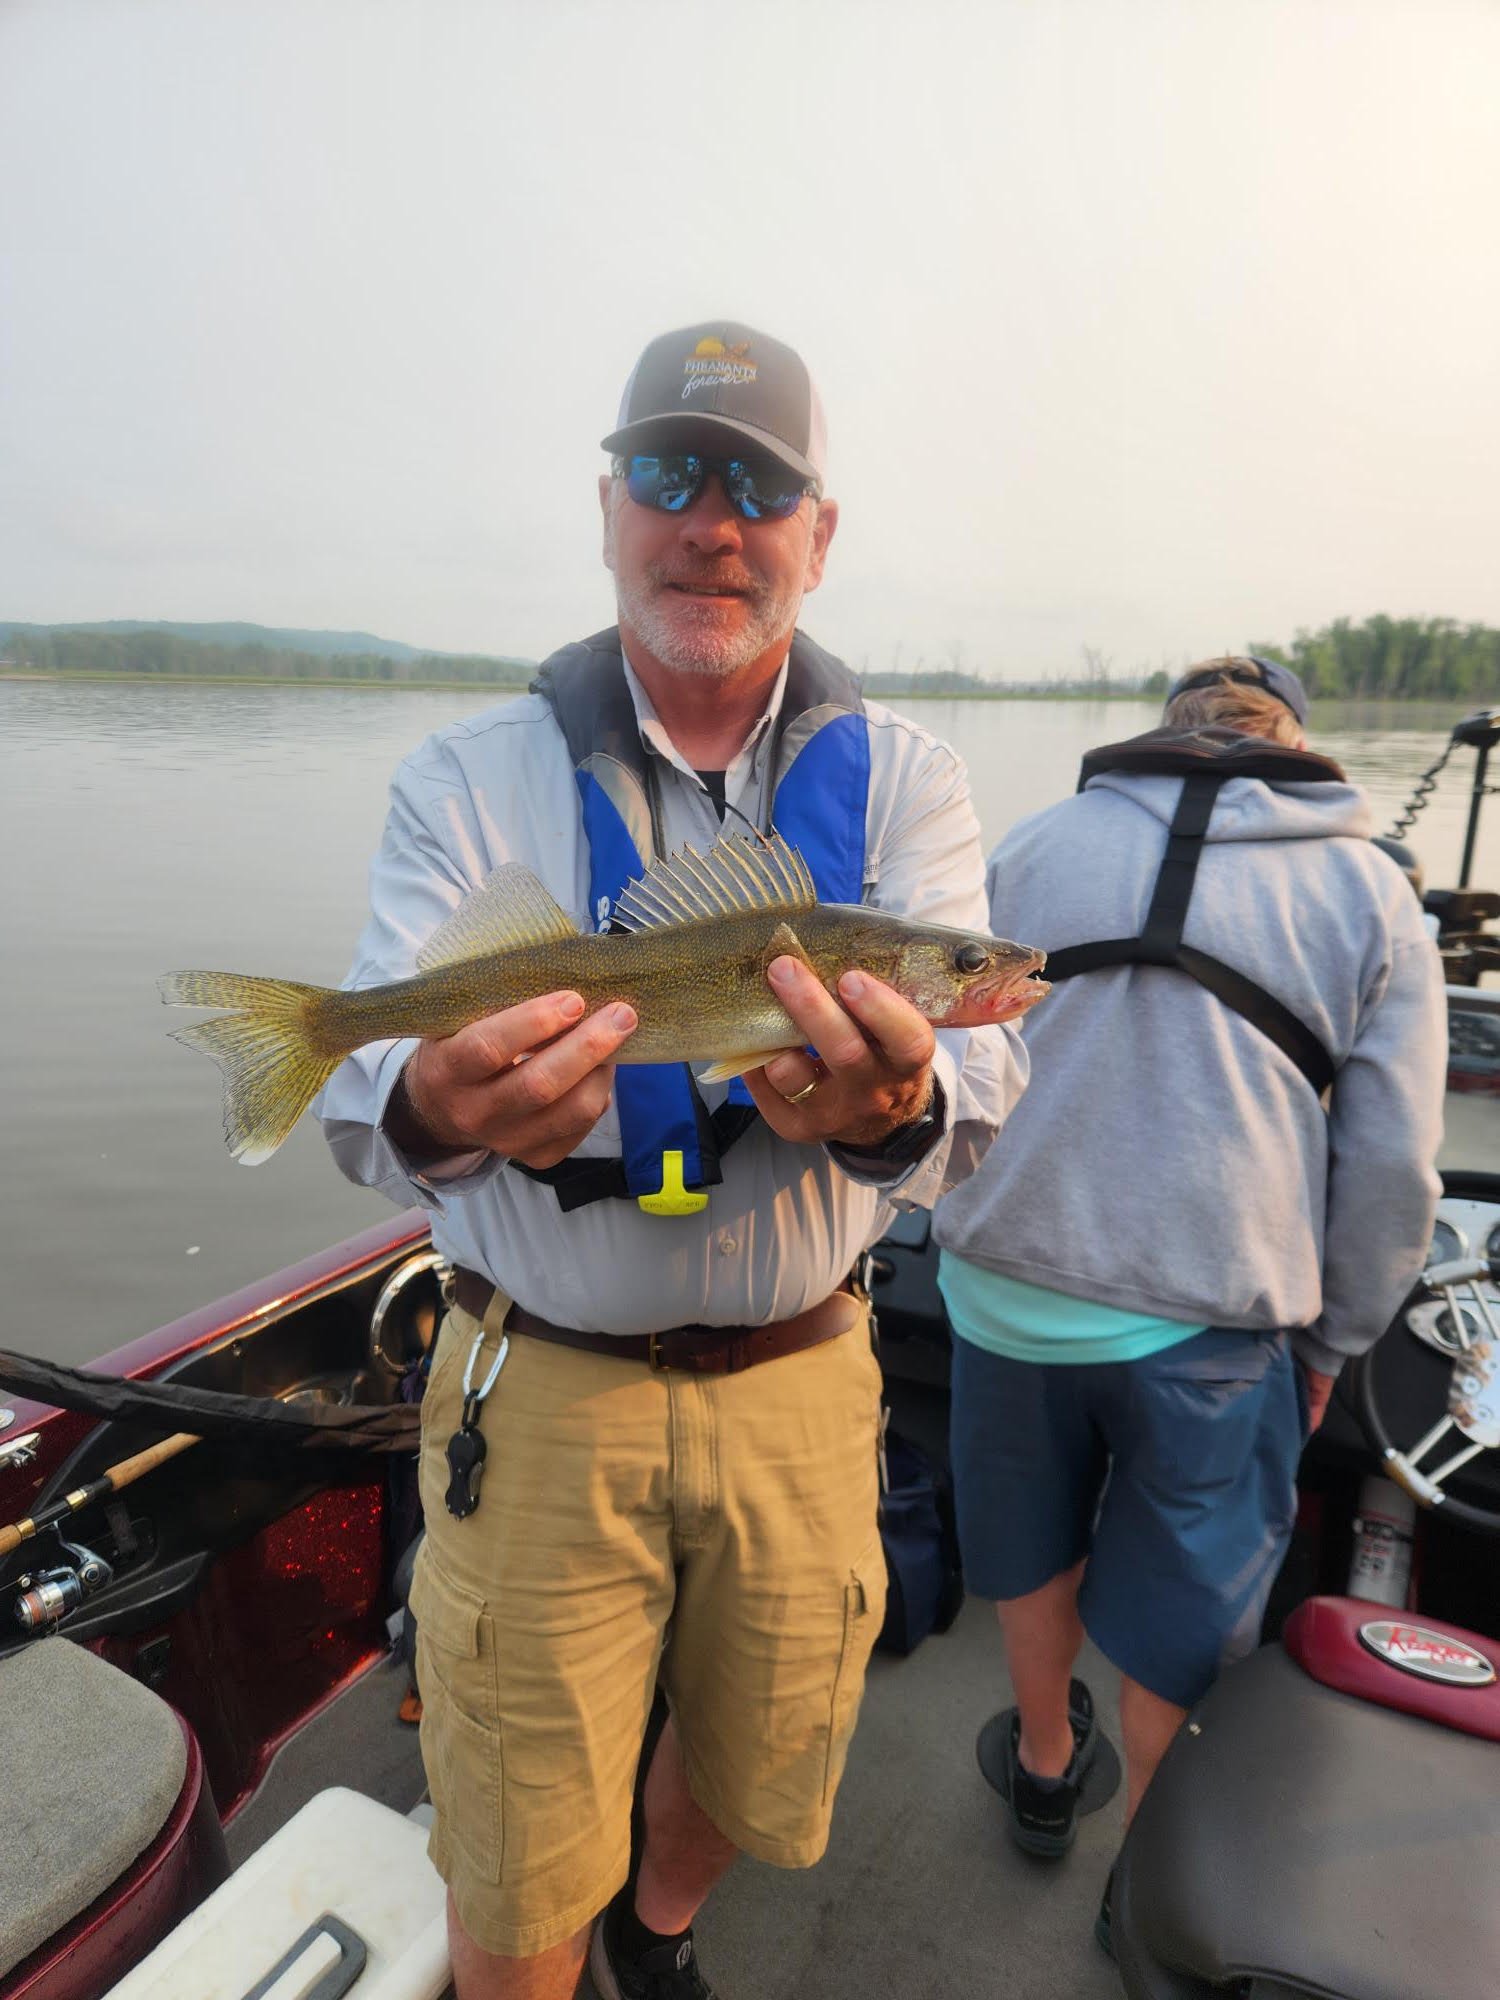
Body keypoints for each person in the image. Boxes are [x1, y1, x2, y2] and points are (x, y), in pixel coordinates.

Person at [319, 320, 1029, 2000]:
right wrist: (438, 1099)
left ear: (818, 533)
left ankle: (661, 1926)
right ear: (611, 505)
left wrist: (898, 1104)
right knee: (512, 1849)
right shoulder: (465, 779)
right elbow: (367, 1102)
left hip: (806, 1379)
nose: (714, 520)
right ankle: (573, 1925)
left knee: (767, 1743)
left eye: (760, 485)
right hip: (541, 1385)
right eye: (672, 472)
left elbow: (978, 1089)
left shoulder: (915, 783)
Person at [931, 656, 1447, 1953]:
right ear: (1292, 745)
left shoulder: (1038, 843)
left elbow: (947, 1060)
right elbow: (1392, 1172)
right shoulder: (1367, 890)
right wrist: (1333, 1348)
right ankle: (1142, 1876)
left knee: (1027, 1546)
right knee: (1176, 1614)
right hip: (1211, 1325)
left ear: (1170, 734)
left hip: (998, 1296)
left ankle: (1045, 1767)